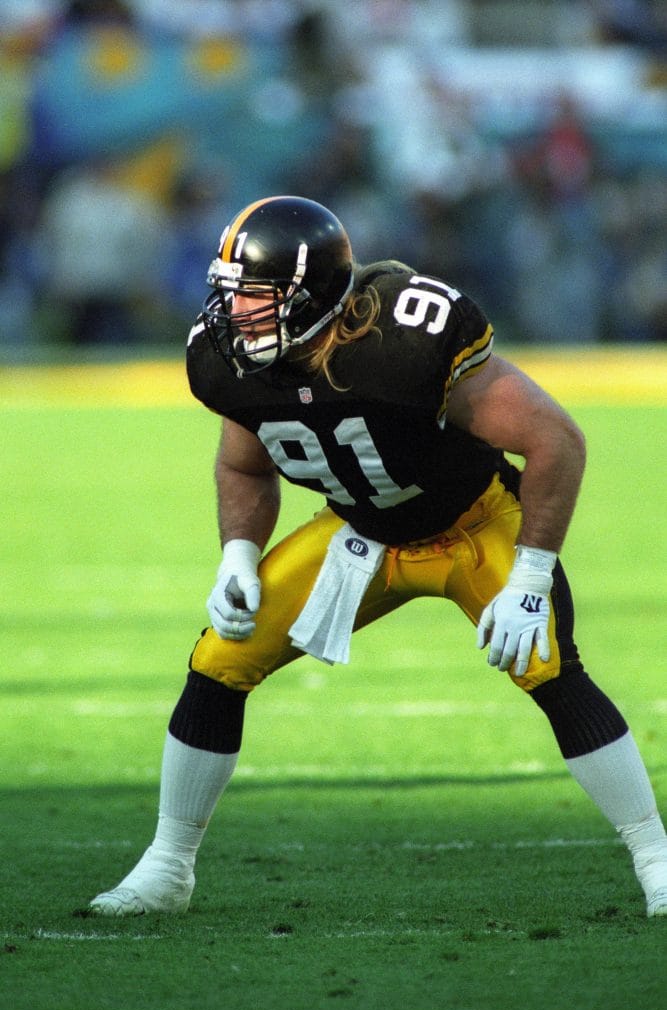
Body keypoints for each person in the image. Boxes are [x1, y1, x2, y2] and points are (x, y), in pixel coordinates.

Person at [88, 195, 667, 918]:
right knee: (216, 663)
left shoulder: (403, 344)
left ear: (316, 298)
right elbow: (243, 464)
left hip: (474, 523)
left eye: (258, 300)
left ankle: (657, 861)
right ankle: (166, 868)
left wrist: (529, 574)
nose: (235, 316)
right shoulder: (225, 361)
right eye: (231, 296)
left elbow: (556, 441)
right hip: (360, 534)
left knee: (547, 667)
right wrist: (237, 554)